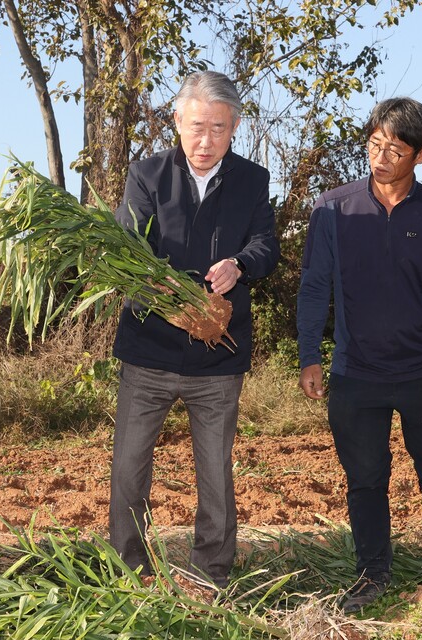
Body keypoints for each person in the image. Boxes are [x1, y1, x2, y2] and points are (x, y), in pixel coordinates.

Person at [297, 97, 422, 614]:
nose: (380, 156)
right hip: (356, 373)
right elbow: (314, 288)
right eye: (374, 144)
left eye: (394, 149)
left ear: (420, 156)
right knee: (365, 478)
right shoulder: (333, 208)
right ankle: (372, 572)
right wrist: (311, 356)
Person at [108, 70, 279, 589]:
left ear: (236, 128)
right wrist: (167, 290)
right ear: (177, 122)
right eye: (196, 127)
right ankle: (128, 572)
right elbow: (124, 244)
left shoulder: (251, 180)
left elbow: (267, 246)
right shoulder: (148, 174)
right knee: (130, 469)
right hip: (149, 350)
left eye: (219, 129)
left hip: (217, 361)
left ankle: (211, 575)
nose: (206, 141)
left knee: (215, 473)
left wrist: (240, 265)